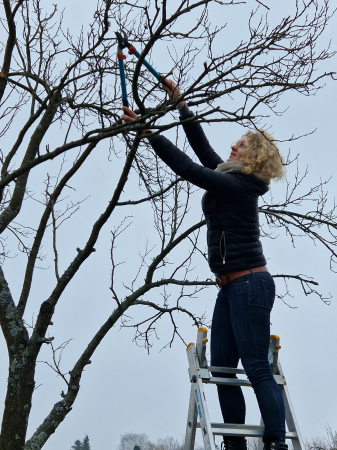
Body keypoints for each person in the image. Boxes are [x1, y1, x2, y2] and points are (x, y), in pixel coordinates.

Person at [121, 79, 287, 450]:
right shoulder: (230, 176)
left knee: (256, 367)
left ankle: (277, 443)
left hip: (250, 284)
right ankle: (234, 444)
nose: (232, 145)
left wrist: (148, 133)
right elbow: (201, 150)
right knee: (225, 372)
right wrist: (179, 102)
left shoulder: (242, 186)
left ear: (253, 157)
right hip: (230, 287)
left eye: (240, 145)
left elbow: (191, 170)